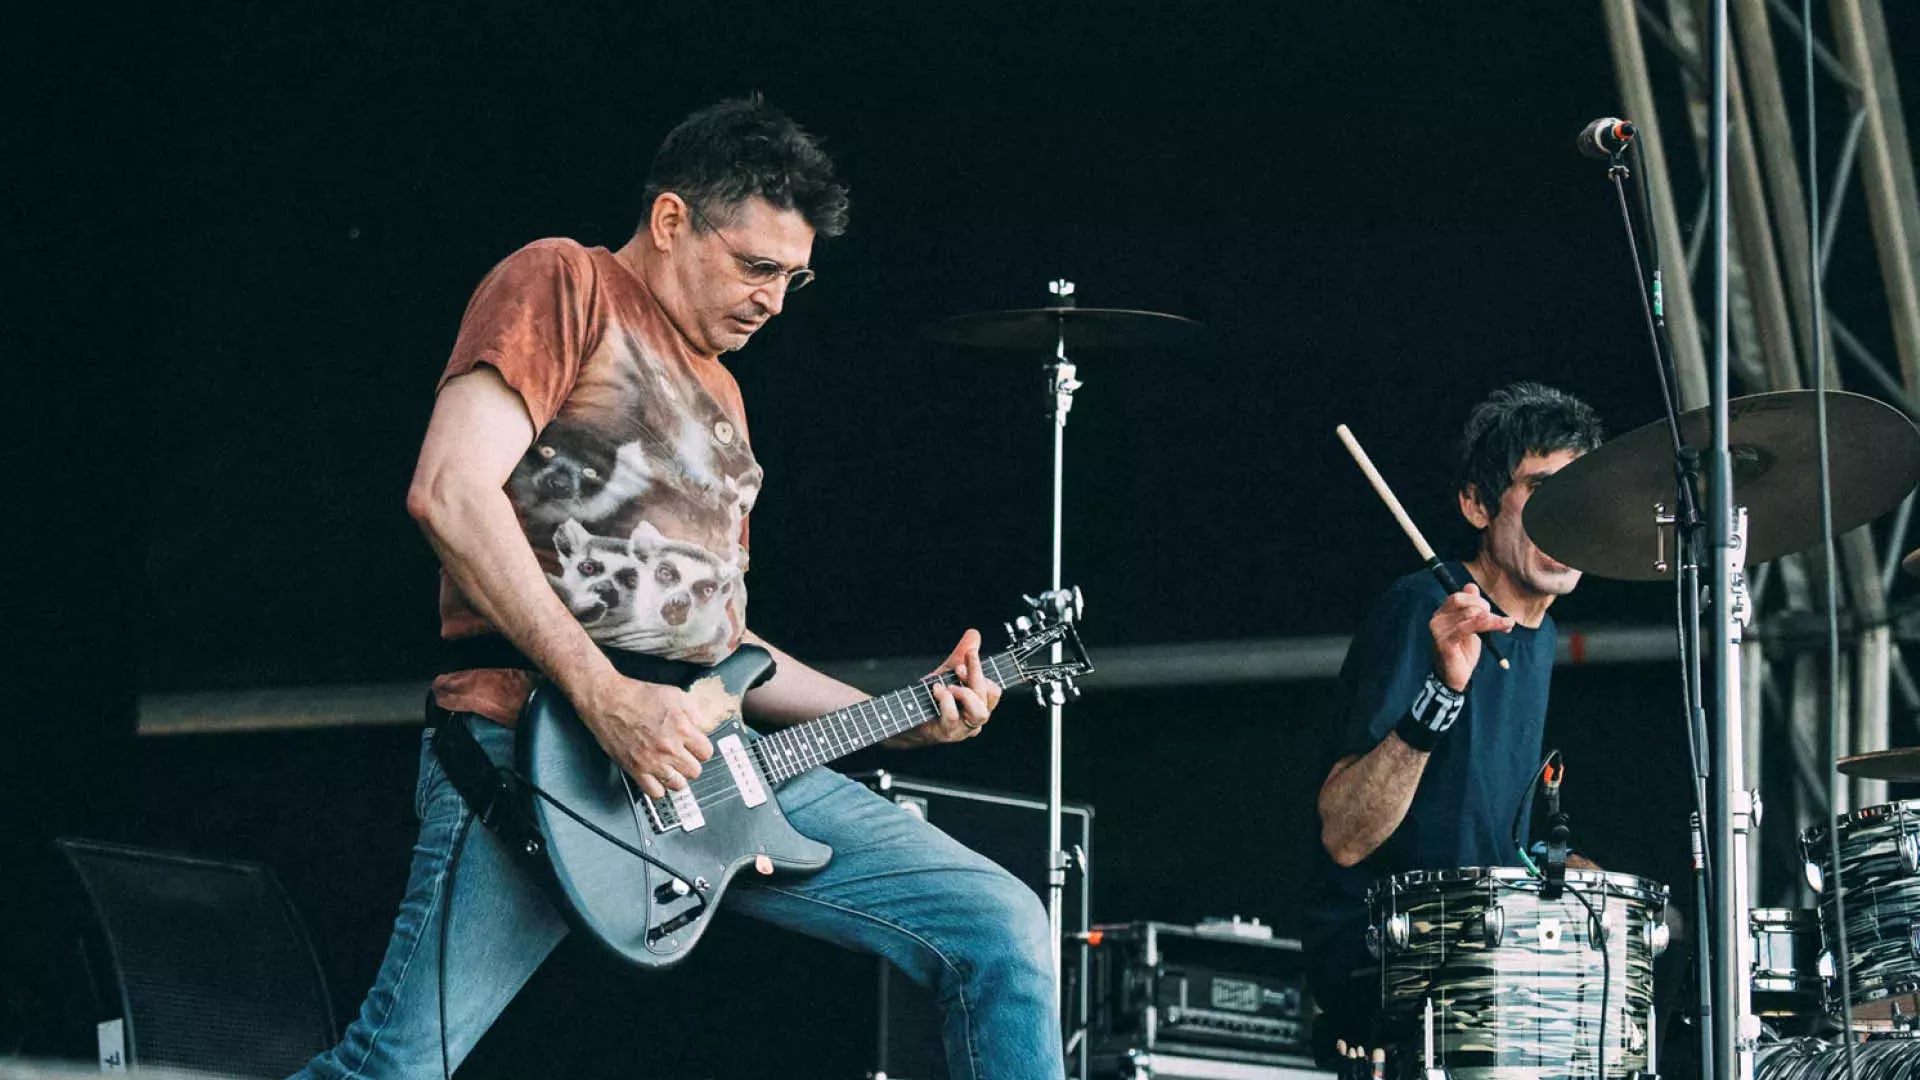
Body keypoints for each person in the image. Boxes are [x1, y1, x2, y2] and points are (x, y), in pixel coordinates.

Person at [293, 97, 1061, 1080]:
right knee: (393, 1069)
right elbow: (448, 490)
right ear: (670, 221)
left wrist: (894, 718)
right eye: (756, 267)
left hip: (709, 767)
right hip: (539, 750)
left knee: (999, 925)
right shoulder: (565, 282)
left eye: (793, 278)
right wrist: (605, 695)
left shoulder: (726, 395)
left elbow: (722, 646)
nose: (774, 301)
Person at [1300, 382, 1605, 1054]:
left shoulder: (1539, 638)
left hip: (1479, 953)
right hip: (1389, 962)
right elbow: (1345, 835)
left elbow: (1477, 839)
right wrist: (1442, 690)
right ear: (1477, 504)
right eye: (1540, 489)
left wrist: (1552, 872)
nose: (1564, 514)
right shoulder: (1423, 608)